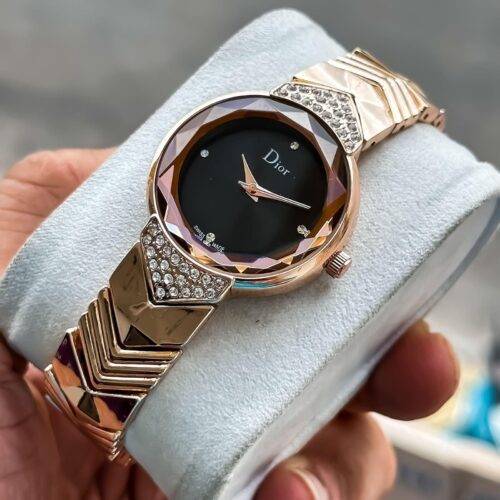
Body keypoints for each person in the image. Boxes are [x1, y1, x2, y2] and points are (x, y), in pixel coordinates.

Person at [0, 148, 459, 499]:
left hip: (215, 261)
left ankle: (88, 396)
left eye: (257, 192)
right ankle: (86, 394)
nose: (252, 192)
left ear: (329, 257)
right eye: (250, 185)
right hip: (178, 238)